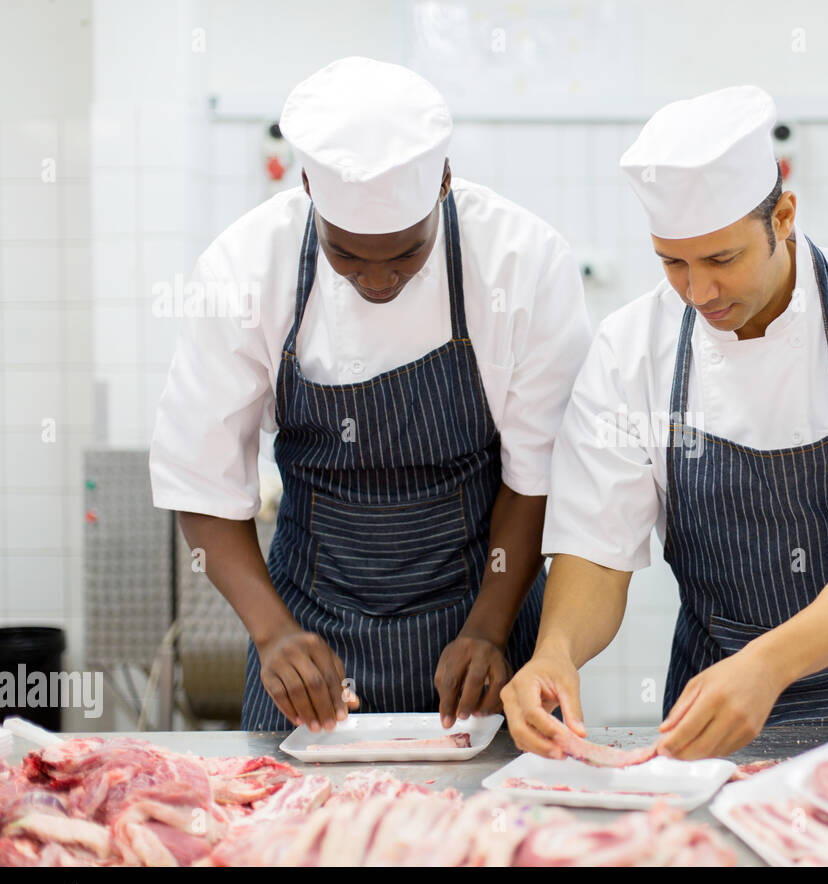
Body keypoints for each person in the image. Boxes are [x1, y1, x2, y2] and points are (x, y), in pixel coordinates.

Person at [502, 86, 828, 760]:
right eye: (673, 263)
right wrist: (555, 651)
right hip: (713, 711)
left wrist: (770, 664)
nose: (699, 293)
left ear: (783, 216)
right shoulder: (630, 349)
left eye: (722, 260)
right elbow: (597, 550)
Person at [150, 57, 590, 732]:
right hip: (308, 628)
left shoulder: (520, 263)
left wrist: (489, 629)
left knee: (504, 802)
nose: (379, 281)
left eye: (407, 254)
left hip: (483, 629)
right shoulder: (245, 269)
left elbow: (537, 478)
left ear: (443, 183)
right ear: (308, 189)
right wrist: (273, 634)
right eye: (348, 256)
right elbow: (201, 483)